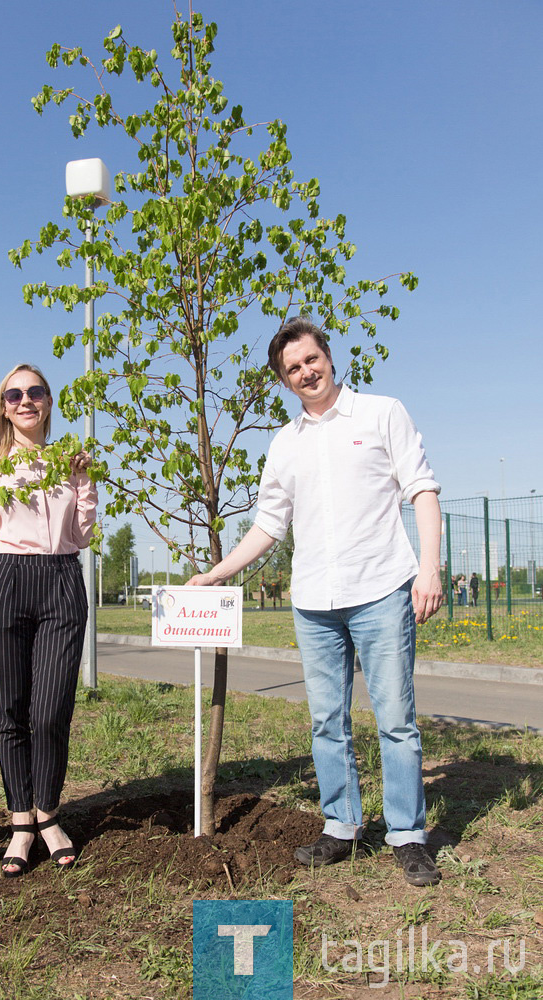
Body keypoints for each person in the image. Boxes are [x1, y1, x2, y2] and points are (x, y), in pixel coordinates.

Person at [189, 316, 444, 887]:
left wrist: (430, 568)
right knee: (327, 720)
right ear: (284, 380)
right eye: (293, 368)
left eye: (311, 359)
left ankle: (407, 836)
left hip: (381, 591)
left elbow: (422, 489)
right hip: (313, 603)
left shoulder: (382, 413)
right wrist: (219, 572)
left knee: (396, 721)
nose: (306, 372)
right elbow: (268, 526)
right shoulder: (284, 445)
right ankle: (341, 825)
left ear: (328, 355)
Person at [0, 364, 97, 877]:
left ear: (49, 400)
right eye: (14, 394)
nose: (25, 400)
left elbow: (84, 534)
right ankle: (21, 822)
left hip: (62, 579)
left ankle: (49, 814)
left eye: (35, 391)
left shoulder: (69, 460)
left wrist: (84, 481)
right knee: (12, 710)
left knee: (50, 711)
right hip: (6, 581)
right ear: (3, 406)